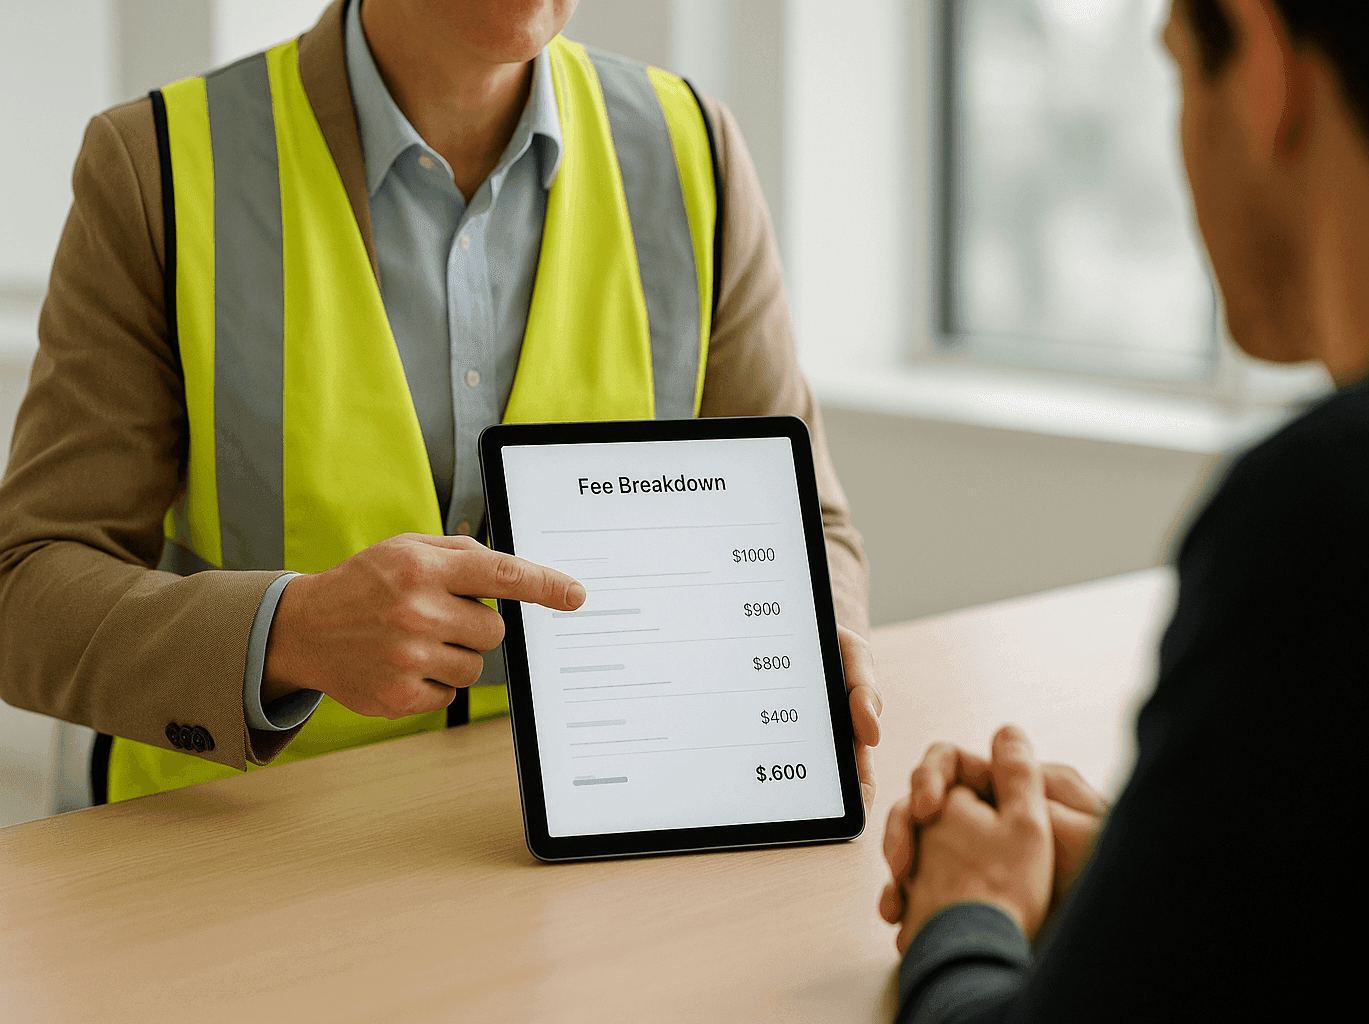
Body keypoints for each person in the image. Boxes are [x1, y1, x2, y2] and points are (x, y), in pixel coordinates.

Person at [0, 0, 881, 806]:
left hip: (592, 853)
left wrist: (817, 641)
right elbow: (26, 589)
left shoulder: (695, 151)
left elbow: (804, 527)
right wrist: (288, 634)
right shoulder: (157, 166)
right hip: (237, 863)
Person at [881, 0, 1369, 1016]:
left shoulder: (1349, 507)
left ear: (1266, 65)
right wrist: (1141, 877)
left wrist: (966, 910)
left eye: (1182, 69)